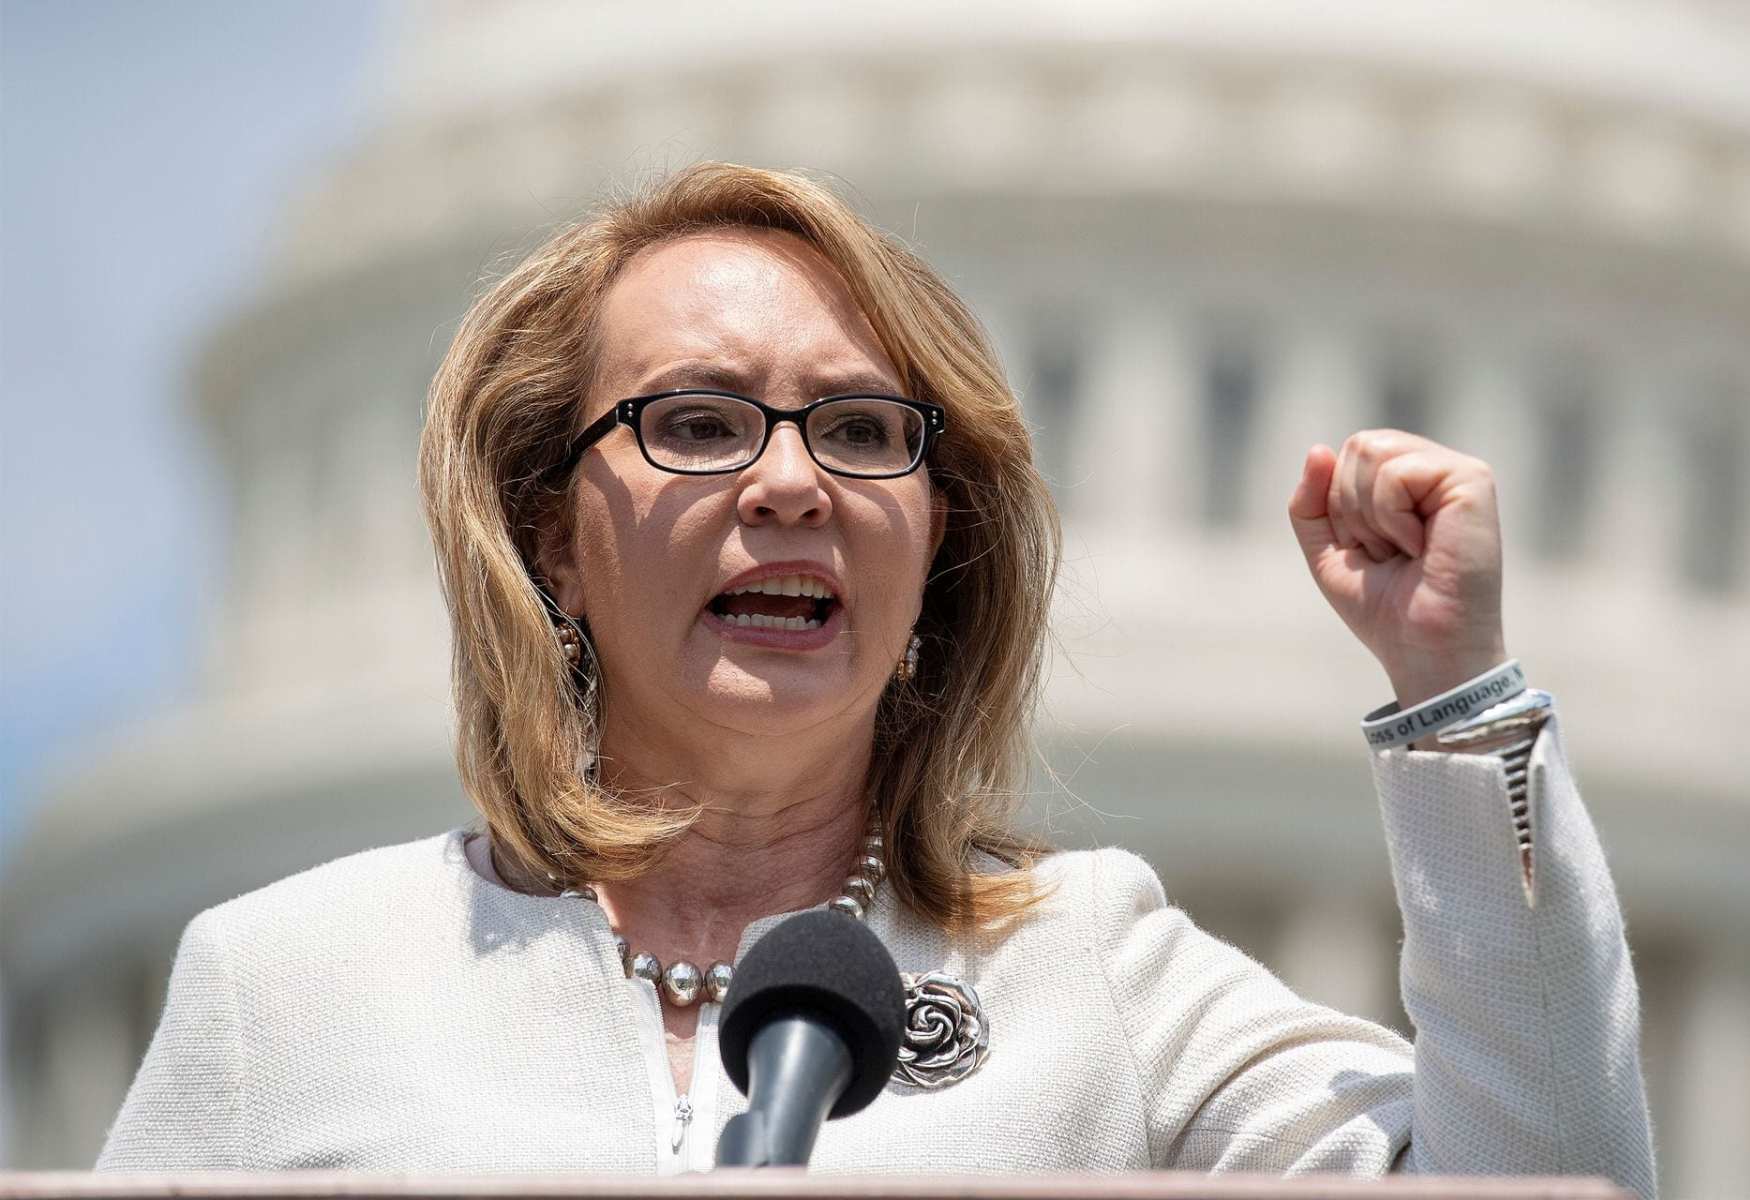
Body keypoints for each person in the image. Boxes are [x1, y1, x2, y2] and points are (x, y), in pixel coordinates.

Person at [95, 163, 1654, 1193]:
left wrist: (1452, 696)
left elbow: (1554, 1174)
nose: (789, 486)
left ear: (932, 552)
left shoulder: (1089, 972)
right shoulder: (285, 985)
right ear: (548, 542)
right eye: (695, 423)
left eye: (858, 433)